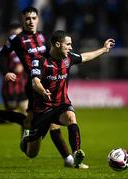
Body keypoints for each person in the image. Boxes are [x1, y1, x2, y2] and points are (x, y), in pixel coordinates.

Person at [0, 6, 76, 168]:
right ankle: (68, 158)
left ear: (38, 19)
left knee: (31, 121)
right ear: (23, 19)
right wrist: (6, 71)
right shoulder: (16, 39)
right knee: (51, 120)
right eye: (27, 18)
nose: (31, 21)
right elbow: (0, 56)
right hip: (33, 86)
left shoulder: (44, 36)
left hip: (47, 83)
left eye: (34, 18)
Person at [20, 30, 115, 168]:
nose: (71, 47)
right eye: (68, 44)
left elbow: (85, 57)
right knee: (31, 153)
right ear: (58, 44)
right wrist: (43, 91)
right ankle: (27, 138)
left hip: (61, 105)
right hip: (43, 109)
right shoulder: (40, 60)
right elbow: (35, 82)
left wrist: (104, 50)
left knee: (71, 117)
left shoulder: (68, 58)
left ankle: (76, 155)